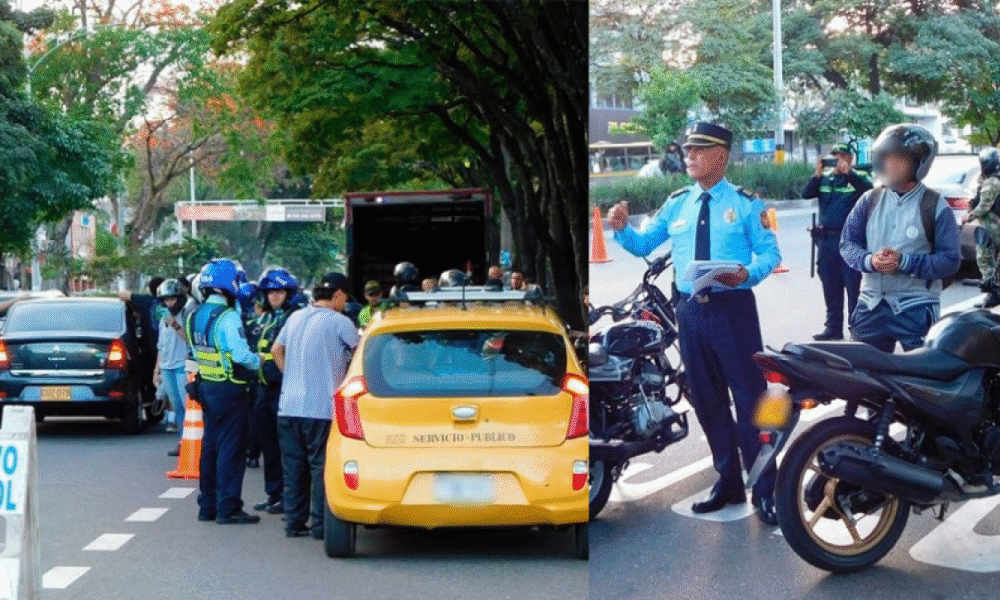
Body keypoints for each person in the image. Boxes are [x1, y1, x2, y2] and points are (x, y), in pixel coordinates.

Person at [606, 121, 781, 525]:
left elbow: (769, 255)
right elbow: (644, 244)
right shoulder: (677, 203)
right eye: (687, 150)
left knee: (751, 399)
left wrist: (746, 274)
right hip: (690, 311)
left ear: (721, 156)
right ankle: (728, 481)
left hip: (733, 310)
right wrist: (621, 230)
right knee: (705, 398)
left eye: (699, 150)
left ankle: (767, 487)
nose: (690, 156)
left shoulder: (747, 203)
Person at [840, 123, 961, 352]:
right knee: (862, 380)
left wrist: (904, 262)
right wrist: (869, 261)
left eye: (900, 158)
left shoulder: (935, 205)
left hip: (916, 308)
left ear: (919, 163)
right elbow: (847, 244)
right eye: (887, 158)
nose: (891, 164)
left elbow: (950, 260)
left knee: (921, 381)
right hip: (870, 304)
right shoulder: (869, 200)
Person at [272, 272, 359, 538]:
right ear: (338, 295)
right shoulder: (341, 322)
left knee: (294, 468)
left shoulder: (294, 317)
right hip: (321, 409)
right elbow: (359, 352)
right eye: (345, 298)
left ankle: (294, 523)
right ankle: (320, 526)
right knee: (321, 468)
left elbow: (277, 349)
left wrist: (292, 375)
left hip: (288, 406)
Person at [185, 259, 262, 525]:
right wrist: (259, 360)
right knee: (231, 449)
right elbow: (241, 355)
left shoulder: (193, 316)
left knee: (210, 448)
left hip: (206, 388)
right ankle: (228, 508)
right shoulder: (228, 317)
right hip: (230, 389)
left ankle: (207, 505)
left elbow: (194, 355)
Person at [802, 143, 873, 340]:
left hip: (851, 243)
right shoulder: (825, 179)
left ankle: (856, 330)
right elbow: (805, 193)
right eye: (834, 156)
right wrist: (816, 174)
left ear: (850, 158)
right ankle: (833, 328)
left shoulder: (860, 176)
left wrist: (849, 173)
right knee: (830, 287)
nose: (837, 160)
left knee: (854, 289)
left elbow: (869, 190)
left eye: (841, 156)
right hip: (827, 242)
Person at [249, 267, 301, 514]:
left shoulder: (295, 318)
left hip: (283, 389)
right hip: (263, 390)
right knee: (268, 446)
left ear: (288, 293)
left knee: (286, 448)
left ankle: (289, 498)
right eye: (270, 292)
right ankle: (273, 494)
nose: (274, 297)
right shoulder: (265, 319)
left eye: (279, 292)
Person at [154, 279, 189, 453]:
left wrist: (175, 324)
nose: (170, 302)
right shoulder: (163, 316)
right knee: (176, 405)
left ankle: (194, 441)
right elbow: (161, 345)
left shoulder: (186, 313)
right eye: (167, 299)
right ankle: (183, 441)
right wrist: (156, 369)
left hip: (182, 365)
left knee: (186, 404)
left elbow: (187, 338)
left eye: (173, 299)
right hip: (167, 366)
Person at [963, 148, 1000, 307]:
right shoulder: (991, 179)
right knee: (992, 261)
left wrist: (969, 217)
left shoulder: (992, 181)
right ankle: (994, 293)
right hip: (992, 225)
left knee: (984, 258)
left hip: (993, 226)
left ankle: (993, 294)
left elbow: (985, 205)